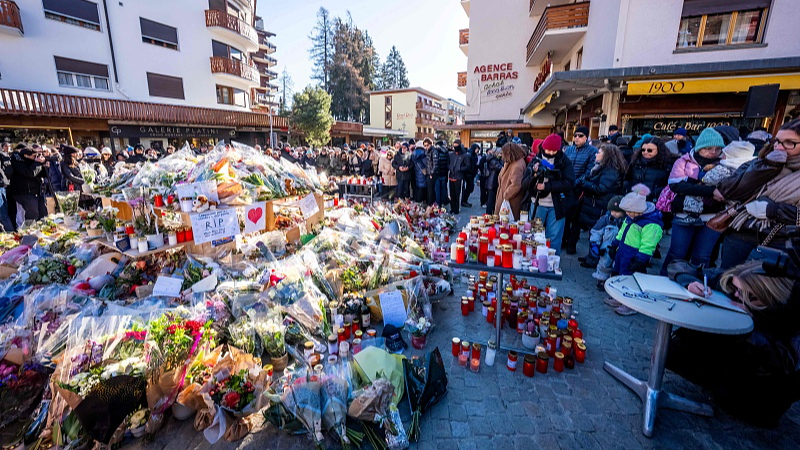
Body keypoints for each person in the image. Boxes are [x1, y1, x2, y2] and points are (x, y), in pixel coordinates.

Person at [666, 260, 800, 427]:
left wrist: (748, 326)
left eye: (745, 294)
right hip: (731, 365)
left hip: (762, 393)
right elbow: (678, 265)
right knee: (674, 350)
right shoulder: (734, 282)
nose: (736, 295)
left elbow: (787, 366)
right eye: (735, 289)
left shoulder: (792, 313)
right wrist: (690, 282)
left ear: (768, 295)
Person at [715, 119, 800, 268]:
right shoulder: (761, 161)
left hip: (781, 241)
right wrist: (768, 167)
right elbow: (727, 190)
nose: (779, 147)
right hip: (741, 233)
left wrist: (773, 210)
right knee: (726, 281)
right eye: (777, 141)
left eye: (789, 143)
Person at [659, 127, 727, 275]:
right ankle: (664, 281)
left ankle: (696, 286)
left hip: (712, 217)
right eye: (708, 148)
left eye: (717, 148)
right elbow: (676, 185)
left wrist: (692, 185)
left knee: (702, 256)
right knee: (677, 253)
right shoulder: (684, 161)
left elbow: (727, 189)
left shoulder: (726, 164)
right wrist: (710, 191)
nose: (713, 152)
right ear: (699, 147)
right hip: (684, 215)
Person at [606, 184, 664, 315]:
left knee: (630, 278)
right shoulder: (631, 217)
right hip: (623, 250)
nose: (626, 214)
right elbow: (623, 231)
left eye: (628, 212)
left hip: (635, 254)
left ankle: (631, 304)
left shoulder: (651, 224)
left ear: (638, 211)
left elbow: (648, 243)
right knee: (619, 273)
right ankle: (619, 297)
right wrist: (615, 244)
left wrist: (641, 259)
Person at [525, 134, 575, 253]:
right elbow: (526, 181)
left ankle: (552, 262)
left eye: (554, 150)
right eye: (548, 149)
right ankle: (534, 260)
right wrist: (534, 172)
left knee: (554, 237)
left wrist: (547, 186)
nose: (550, 152)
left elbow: (569, 183)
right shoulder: (536, 159)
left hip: (557, 204)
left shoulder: (564, 161)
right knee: (535, 235)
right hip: (537, 202)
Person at [576, 143, 627, 236]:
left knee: (597, 235)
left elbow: (601, 188)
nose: (596, 154)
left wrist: (585, 183)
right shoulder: (600, 167)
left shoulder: (610, 171)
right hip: (595, 205)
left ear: (606, 156)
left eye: (598, 153)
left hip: (600, 206)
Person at [563, 126, 599, 254]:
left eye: (580, 136)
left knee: (577, 218)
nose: (577, 138)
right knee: (565, 216)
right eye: (575, 135)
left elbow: (590, 171)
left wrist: (576, 183)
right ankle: (564, 241)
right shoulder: (569, 149)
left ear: (586, 137)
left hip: (581, 189)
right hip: (567, 187)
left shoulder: (592, 151)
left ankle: (572, 243)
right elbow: (564, 165)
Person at [587, 195, 626, 287]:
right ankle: (601, 279)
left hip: (619, 248)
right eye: (612, 211)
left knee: (617, 264)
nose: (614, 213)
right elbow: (596, 232)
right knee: (604, 263)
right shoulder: (605, 220)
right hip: (606, 247)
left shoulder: (625, 222)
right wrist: (595, 245)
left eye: (617, 211)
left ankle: (615, 281)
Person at [624, 136, 671, 203]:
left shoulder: (667, 164)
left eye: (650, 150)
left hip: (656, 201)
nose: (646, 152)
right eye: (643, 150)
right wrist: (629, 190)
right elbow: (627, 179)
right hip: (635, 200)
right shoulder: (635, 162)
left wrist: (653, 192)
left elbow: (669, 185)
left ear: (659, 150)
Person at [10, 146, 48, 222]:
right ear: (26, 155)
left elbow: (43, 174)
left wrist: (44, 165)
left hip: (37, 192)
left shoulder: (32, 162)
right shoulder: (18, 162)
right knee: (33, 216)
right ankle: (29, 233)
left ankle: (42, 232)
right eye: (34, 156)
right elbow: (30, 173)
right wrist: (37, 163)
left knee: (43, 215)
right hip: (25, 193)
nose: (36, 158)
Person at [494, 143, 527, 219]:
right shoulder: (511, 162)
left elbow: (516, 185)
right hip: (506, 199)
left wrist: (505, 195)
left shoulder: (517, 165)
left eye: (503, 153)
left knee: (507, 223)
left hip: (511, 201)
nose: (501, 156)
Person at [448, 140, 470, 214]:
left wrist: (460, 169)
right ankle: (452, 207)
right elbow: (448, 163)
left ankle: (457, 208)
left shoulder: (465, 155)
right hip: (451, 176)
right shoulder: (451, 155)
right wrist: (450, 168)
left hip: (459, 177)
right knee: (451, 194)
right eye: (454, 145)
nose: (455, 147)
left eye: (456, 145)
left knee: (458, 194)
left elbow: (467, 166)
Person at [483, 148, 503, 215]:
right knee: (491, 200)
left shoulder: (493, 159)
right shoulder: (493, 160)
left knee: (492, 200)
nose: (501, 155)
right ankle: (488, 215)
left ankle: (490, 214)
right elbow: (500, 168)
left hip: (492, 182)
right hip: (492, 182)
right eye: (500, 153)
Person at [0, 143, 13, 231]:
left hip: (1, 186)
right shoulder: (3, 156)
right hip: (2, 185)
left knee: (3, 215)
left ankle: (11, 236)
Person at [462, 143, 479, 208]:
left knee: (470, 187)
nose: (477, 150)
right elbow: (468, 165)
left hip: (471, 174)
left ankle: (464, 200)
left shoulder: (474, 155)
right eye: (477, 149)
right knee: (469, 187)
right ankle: (464, 200)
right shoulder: (469, 155)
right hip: (468, 174)